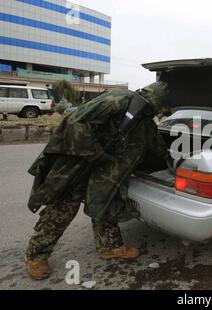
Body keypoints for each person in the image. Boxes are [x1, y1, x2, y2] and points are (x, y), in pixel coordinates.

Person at [25, 82, 170, 279]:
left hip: (105, 171)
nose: (156, 114)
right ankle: (36, 255)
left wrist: (177, 161)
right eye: (157, 109)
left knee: (106, 203)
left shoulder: (144, 122)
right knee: (63, 208)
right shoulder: (118, 99)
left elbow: (157, 149)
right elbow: (77, 122)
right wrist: (95, 153)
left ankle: (110, 247)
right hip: (80, 161)